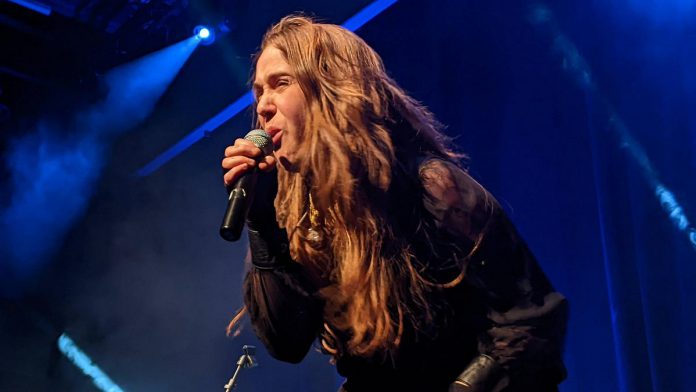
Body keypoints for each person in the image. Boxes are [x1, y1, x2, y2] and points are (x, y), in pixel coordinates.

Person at [221, 15, 567, 392]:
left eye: (281, 83)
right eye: (258, 92)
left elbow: (531, 320)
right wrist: (261, 223)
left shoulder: (430, 189)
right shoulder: (295, 212)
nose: (264, 106)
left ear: (332, 88)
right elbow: (285, 342)